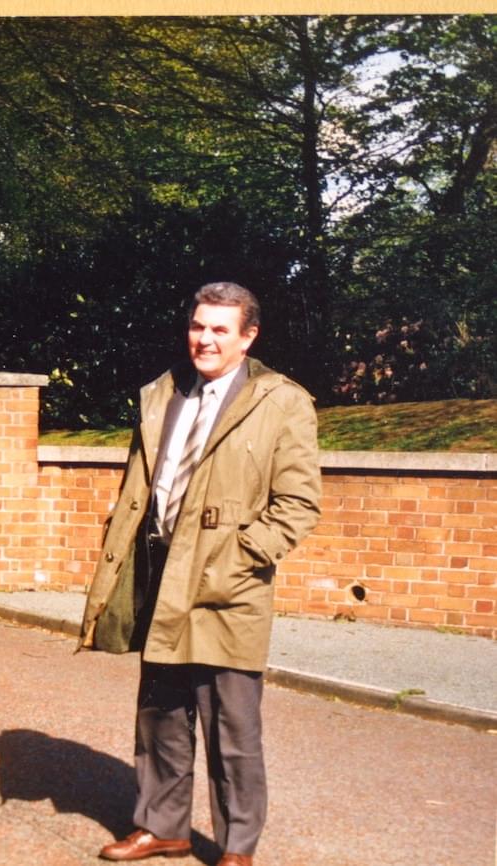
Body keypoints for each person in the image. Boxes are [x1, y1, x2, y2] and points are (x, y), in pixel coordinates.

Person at [79, 282, 322, 866]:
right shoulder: (164, 393)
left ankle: (238, 848)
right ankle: (163, 827)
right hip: (159, 574)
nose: (205, 338)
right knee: (159, 716)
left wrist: (239, 557)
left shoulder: (281, 401)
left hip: (227, 589)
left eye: (220, 329)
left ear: (248, 337)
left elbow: (299, 504)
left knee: (232, 731)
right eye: (198, 326)